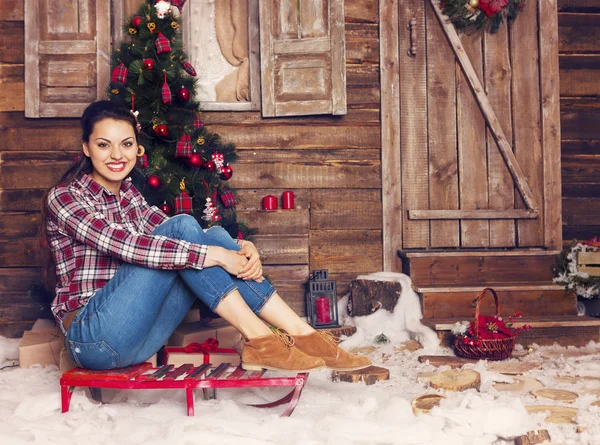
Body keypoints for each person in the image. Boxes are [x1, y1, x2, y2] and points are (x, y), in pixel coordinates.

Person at [41, 100, 371, 373]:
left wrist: (239, 247)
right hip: (93, 339)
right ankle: (261, 339)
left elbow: (191, 237)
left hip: (139, 341)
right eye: (103, 144)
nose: (117, 155)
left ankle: (303, 333)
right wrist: (217, 255)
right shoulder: (65, 197)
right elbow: (128, 246)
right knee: (185, 231)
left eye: (126, 144)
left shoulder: (131, 198)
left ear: (137, 148)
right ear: (86, 147)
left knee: (204, 233)